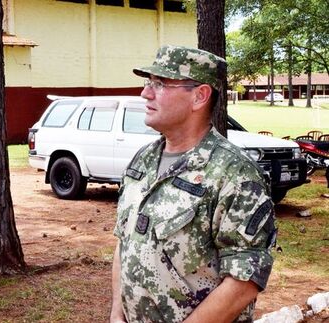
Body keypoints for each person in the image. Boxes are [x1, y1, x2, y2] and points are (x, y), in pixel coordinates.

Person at [110, 45, 276, 323]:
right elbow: (125, 242)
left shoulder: (235, 173)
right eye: (148, 82)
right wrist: (117, 313)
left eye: (160, 84)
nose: (145, 93)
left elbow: (244, 280)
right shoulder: (143, 160)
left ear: (199, 96)